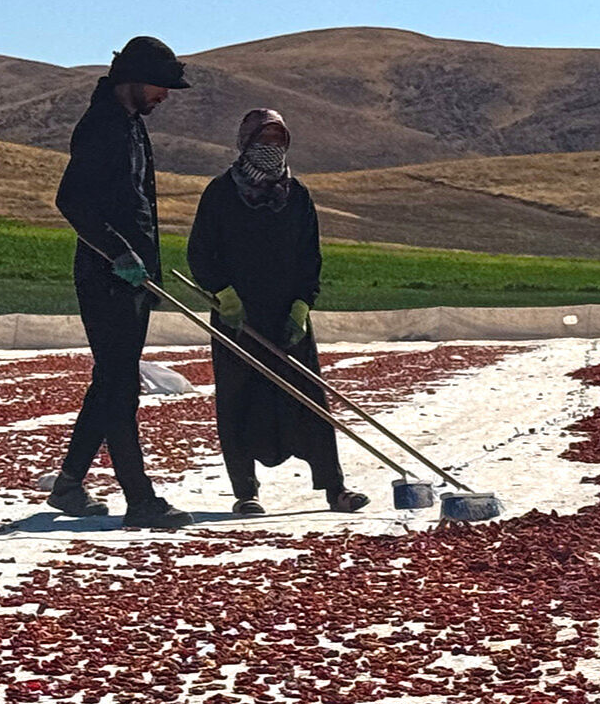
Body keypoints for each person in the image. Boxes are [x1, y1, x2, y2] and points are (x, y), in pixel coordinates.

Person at [187, 108, 369, 517]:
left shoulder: (297, 195)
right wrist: (223, 295)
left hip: (288, 314)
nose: (270, 149)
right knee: (238, 397)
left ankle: (334, 488)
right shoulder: (221, 192)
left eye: (278, 141)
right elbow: (200, 251)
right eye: (262, 141)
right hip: (236, 316)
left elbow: (310, 256)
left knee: (309, 397)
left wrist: (303, 305)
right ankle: (245, 492)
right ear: (245, 143)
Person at [51, 35, 191, 530]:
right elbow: (71, 201)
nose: (165, 96)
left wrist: (146, 263)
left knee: (112, 379)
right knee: (120, 384)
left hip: (132, 276)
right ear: (132, 81)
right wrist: (118, 253)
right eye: (161, 86)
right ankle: (140, 497)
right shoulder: (101, 127)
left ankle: (69, 483)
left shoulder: (130, 124)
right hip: (105, 276)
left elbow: (136, 203)